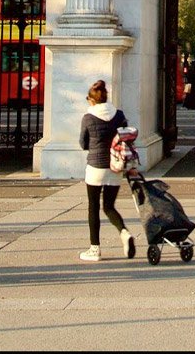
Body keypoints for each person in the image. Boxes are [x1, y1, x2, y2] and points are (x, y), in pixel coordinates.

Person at [78, 79, 135, 262]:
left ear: (92, 100)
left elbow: (83, 143)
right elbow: (126, 136)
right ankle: (124, 232)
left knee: (93, 207)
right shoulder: (118, 115)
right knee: (109, 206)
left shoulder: (88, 117)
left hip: (95, 167)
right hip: (115, 166)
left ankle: (94, 249)